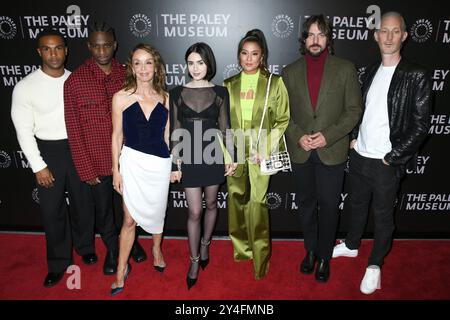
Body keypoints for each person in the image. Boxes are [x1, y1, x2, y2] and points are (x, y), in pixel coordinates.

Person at [332, 12, 431, 294]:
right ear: (375, 36)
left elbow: (421, 125)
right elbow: (359, 111)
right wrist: (352, 139)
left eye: (394, 31)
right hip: (360, 155)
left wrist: (393, 156)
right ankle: (352, 246)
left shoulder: (416, 75)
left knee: (383, 215)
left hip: (386, 161)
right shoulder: (370, 70)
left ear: (404, 36)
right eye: (383, 31)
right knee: (356, 206)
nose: (388, 37)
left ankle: (375, 265)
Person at [11, 29, 95, 287]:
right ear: (39, 52)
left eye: (58, 47)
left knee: (83, 203)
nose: (53, 53)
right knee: (52, 211)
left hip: (78, 148)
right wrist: (38, 165)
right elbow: (23, 130)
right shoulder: (25, 87)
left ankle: (85, 247)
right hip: (47, 152)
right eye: (47, 49)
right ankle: (58, 262)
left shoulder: (77, 80)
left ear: (66, 50)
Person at [282, 14, 362, 283]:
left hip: (332, 151)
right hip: (301, 151)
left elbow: (353, 111)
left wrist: (328, 136)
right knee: (306, 205)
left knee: (329, 206)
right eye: (310, 35)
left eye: (321, 34)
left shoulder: (345, 68)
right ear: (303, 39)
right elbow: (283, 114)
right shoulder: (289, 71)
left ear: (328, 38)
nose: (315, 40)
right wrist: (298, 135)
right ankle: (311, 251)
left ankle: (325, 256)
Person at [224, 29, 290, 280]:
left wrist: (264, 149)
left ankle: (261, 258)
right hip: (236, 150)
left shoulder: (275, 82)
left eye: (254, 54)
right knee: (236, 199)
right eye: (244, 53)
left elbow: (282, 119)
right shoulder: (228, 85)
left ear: (262, 57)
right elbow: (223, 125)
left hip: (262, 153)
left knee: (258, 203)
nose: (249, 59)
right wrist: (228, 155)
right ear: (239, 56)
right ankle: (242, 250)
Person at [169, 42, 235, 290]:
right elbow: (174, 132)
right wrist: (174, 164)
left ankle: (206, 244)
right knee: (194, 211)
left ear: (209, 64)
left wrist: (232, 156)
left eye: (200, 62)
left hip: (213, 155)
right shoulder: (175, 93)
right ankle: (194, 259)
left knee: (212, 204)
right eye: (191, 63)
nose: (195, 68)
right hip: (189, 158)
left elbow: (226, 128)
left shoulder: (221, 92)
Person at [110, 43, 171, 296]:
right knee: (128, 219)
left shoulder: (165, 97)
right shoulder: (121, 97)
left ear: (155, 66)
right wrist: (115, 169)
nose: (143, 68)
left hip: (159, 164)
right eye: (138, 62)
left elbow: (168, 136)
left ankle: (156, 249)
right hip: (132, 163)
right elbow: (116, 136)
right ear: (131, 67)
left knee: (157, 213)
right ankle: (121, 270)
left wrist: (174, 164)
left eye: (148, 62)